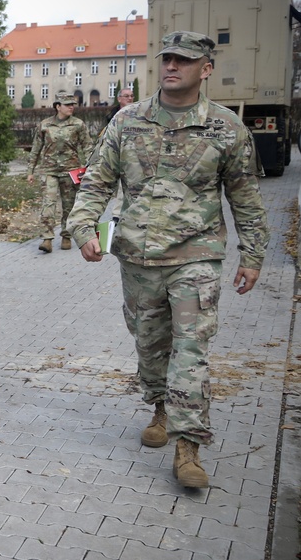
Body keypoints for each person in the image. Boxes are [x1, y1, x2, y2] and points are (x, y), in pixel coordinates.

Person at [66, 31, 269, 488]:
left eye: (184, 59)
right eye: (168, 58)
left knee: (191, 353)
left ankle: (188, 448)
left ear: (206, 68)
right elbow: (96, 181)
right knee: (150, 347)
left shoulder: (226, 129)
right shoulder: (127, 120)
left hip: (196, 258)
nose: (172, 65)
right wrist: (83, 228)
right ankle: (160, 405)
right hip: (137, 258)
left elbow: (247, 200)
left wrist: (252, 255)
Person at [27, 90, 92, 253]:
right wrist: (30, 171)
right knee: (48, 205)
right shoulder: (45, 124)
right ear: (58, 106)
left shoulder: (78, 124)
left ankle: (66, 236)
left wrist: (91, 167)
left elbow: (88, 146)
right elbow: (36, 148)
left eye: (73, 105)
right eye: (68, 105)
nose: (72, 107)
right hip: (49, 170)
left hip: (71, 171)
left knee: (69, 206)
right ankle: (47, 239)